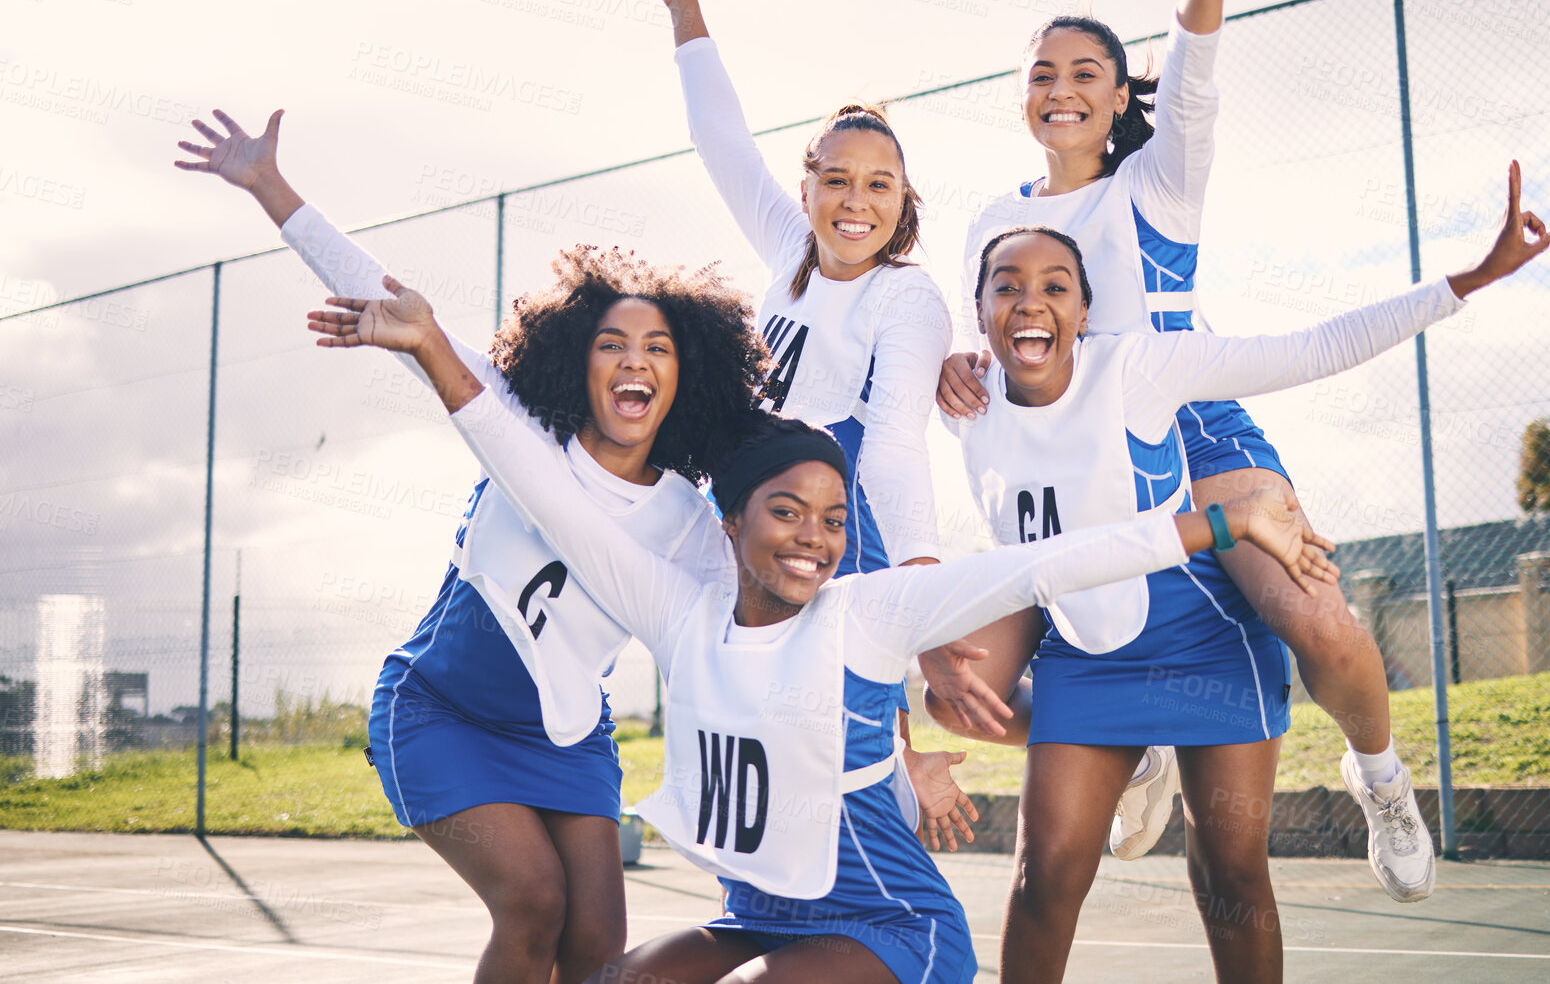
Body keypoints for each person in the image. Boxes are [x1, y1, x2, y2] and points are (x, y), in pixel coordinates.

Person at [303, 276, 1341, 984]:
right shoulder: (678, 608)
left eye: (836, 520)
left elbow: (1042, 563)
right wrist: (432, 344)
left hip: (890, 929)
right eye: (788, 514)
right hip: (759, 915)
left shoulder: (868, 611)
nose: (816, 539)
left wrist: (1211, 524)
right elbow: (532, 469)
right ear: (730, 523)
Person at [922, 0, 1436, 898]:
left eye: (1085, 74)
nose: (1061, 90)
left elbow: (1194, 85)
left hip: (1195, 437)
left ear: (1118, 98)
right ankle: (1141, 746)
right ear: (1023, 97)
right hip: (1069, 469)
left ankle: (1379, 778)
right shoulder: (991, 220)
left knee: (1316, 624)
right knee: (963, 684)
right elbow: (988, 341)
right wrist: (955, 371)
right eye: (1042, 74)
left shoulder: (1158, 188)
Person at [174, 108, 758, 982]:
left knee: (597, 948)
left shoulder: (687, 517)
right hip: (438, 712)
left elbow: (744, 641)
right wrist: (268, 183)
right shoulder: (513, 421)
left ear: (685, 374)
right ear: (579, 360)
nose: (633, 360)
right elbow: (397, 303)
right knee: (533, 903)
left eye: (657, 346)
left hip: (565, 736)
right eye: (611, 343)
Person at [951, 162, 1550, 982]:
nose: (1029, 300)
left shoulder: (1137, 369)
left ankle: (1379, 780)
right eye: (1006, 285)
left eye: (1055, 284)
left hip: (1202, 634)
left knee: (1228, 873)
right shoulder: (964, 396)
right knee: (1042, 878)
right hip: (1086, 651)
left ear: (1084, 311)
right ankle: (1138, 759)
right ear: (978, 309)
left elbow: (1309, 348)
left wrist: (1468, 280)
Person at [649, 0, 996, 848]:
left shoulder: (906, 296)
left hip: (846, 496)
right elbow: (719, 140)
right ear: (806, 190)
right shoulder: (789, 252)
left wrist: (920, 596)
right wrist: (685, 11)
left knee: (880, 661)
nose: (856, 199)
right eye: (836, 179)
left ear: (903, 199)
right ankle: (888, 759)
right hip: (766, 485)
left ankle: (1112, 735)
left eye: (879, 184)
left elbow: (891, 444)